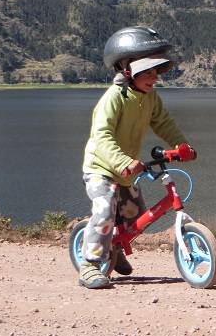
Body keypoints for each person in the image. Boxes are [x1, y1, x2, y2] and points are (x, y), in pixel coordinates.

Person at [78, 26, 193, 289]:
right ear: (127, 69)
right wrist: (123, 162)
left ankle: (114, 248)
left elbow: (164, 123)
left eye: (157, 71)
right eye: (148, 71)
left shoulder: (150, 97)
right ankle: (90, 265)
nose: (155, 77)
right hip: (102, 167)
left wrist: (181, 144)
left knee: (135, 214)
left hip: (126, 170)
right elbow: (102, 136)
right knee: (105, 210)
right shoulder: (114, 98)